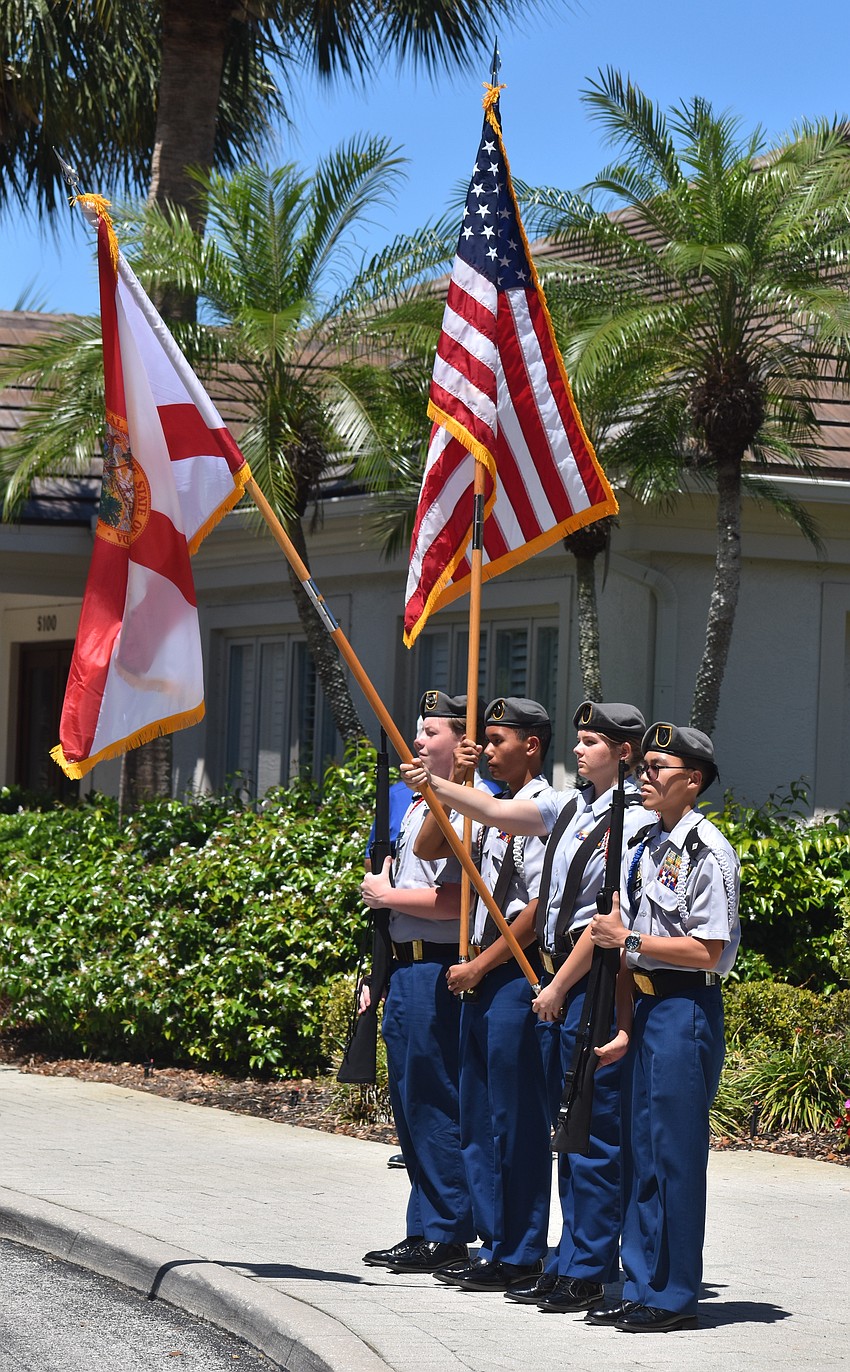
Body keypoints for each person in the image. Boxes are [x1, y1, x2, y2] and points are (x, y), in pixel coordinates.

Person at [402, 700, 647, 1314]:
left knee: (581, 1129)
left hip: (582, 977)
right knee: (551, 1125)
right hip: (563, 978)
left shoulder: (635, 821)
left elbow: (591, 917)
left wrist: (557, 985)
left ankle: (584, 1262)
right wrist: (439, 783)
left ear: (623, 752)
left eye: (593, 741)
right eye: (581, 739)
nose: (581, 749)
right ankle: (555, 1254)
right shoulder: (570, 807)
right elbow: (489, 810)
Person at [586, 722, 741, 1333]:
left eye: (657, 768)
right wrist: (626, 1023)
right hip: (648, 1010)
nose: (645, 777)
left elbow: (710, 951)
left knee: (675, 1156)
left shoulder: (709, 850)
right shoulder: (646, 846)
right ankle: (642, 1282)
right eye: (644, 766)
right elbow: (630, 956)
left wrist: (630, 939)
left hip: (684, 1010)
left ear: (692, 780)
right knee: (642, 1152)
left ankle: (675, 1293)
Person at [414, 697, 554, 1292]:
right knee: (477, 1119)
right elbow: (428, 848)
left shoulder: (546, 805)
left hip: (509, 976)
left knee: (513, 1119)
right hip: (477, 974)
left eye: (498, 741)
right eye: (485, 740)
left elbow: (537, 909)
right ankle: (494, 1243)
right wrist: (458, 779)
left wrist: (482, 966)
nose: (488, 749)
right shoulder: (486, 801)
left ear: (532, 745)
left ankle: (521, 1249)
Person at [360, 690, 487, 1276]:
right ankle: (425, 1224)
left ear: (461, 743)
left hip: (439, 964)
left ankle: (448, 1230)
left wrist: (390, 896)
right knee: (411, 1103)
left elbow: (463, 900)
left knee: (435, 1099)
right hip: (405, 965)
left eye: (430, 731)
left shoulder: (469, 804)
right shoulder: (416, 802)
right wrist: (377, 971)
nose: (418, 740)